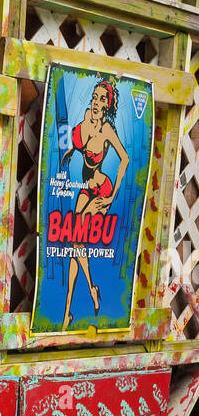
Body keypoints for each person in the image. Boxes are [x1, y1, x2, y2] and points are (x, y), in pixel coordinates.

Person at [60, 80, 128, 330]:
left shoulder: (108, 130)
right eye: (95, 97)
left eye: (102, 99)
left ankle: (82, 297)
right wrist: (70, 152)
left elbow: (125, 159)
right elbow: (78, 144)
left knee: (76, 240)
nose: (97, 103)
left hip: (103, 188)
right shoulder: (87, 119)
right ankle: (75, 303)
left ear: (108, 105)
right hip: (86, 189)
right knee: (73, 247)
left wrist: (112, 196)